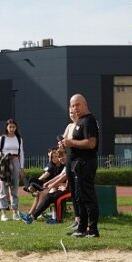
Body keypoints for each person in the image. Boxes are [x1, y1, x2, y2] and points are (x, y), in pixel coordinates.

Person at [59, 94, 100, 238]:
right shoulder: (79, 121)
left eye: (77, 105)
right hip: (75, 163)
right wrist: (66, 144)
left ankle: (93, 229)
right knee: (78, 197)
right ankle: (81, 228)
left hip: (85, 163)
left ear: (85, 104)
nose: (75, 108)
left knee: (87, 196)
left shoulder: (89, 120)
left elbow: (91, 143)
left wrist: (71, 143)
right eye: (72, 105)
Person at [20, 149, 71, 224]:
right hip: (64, 187)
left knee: (54, 196)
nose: (60, 158)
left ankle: (57, 219)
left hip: (72, 190)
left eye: (62, 156)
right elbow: (60, 176)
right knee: (49, 196)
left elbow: (64, 177)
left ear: (67, 155)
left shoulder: (69, 164)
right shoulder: (63, 166)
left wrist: (53, 185)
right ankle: (32, 217)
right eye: (59, 157)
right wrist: (48, 183)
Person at [0, 119, 25, 221]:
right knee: (3, 187)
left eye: (13, 127)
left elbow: (21, 153)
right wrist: (1, 157)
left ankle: (15, 211)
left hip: (16, 161)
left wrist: (21, 168)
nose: (12, 129)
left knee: (15, 187)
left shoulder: (18, 138)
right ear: (7, 128)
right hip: (5, 163)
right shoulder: (2, 138)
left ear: (16, 128)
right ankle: (3, 212)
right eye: (10, 127)